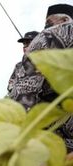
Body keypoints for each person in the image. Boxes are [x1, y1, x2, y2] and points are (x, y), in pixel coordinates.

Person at [8, 4, 73, 151]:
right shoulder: (19, 65)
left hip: (53, 121)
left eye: (48, 23)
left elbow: (24, 93)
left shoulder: (50, 36)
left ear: (64, 20)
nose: (46, 28)